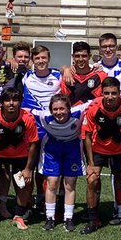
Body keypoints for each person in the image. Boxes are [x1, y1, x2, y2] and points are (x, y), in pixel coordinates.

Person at [80, 77, 121, 234]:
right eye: (106, 93)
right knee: (92, 179)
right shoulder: (93, 108)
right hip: (99, 149)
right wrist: (91, 164)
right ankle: (93, 220)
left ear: (119, 93)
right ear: (101, 93)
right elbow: (87, 137)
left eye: (114, 93)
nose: (110, 97)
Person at [0, 87, 39, 229]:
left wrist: (29, 168)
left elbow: (33, 143)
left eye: (15, 100)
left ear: (20, 102)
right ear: (2, 103)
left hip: (19, 155)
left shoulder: (27, 118)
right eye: (7, 100)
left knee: (24, 181)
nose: (11, 103)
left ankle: (18, 215)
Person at [38, 93, 83, 231]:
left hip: (72, 148)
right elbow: (26, 110)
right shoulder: (44, 116)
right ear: (51, 110)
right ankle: (49, 218)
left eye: (62, 109)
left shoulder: (79, 111)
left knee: (70, 184)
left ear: (69, 109)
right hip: (53, 148)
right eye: (55, 109)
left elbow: (96, 102)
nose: (59, 112)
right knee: (52, 183)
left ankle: (68, 218)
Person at [21, 44, 63, 121]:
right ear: (32, 61)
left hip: (51, 120)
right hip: (31, 121)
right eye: (37, 58)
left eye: (43, 58)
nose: (40, 61)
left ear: (49, 59)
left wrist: (66, 69)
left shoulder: (58, 76)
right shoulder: (26, 77)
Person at [61, 41, 103, 112]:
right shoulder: (66, 75)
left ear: (89, 56)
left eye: (84, 56)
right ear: (73, 57)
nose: (80, 59)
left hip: (91, 117)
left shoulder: (100, 76)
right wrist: (65, 69)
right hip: (71, 118)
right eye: (77, 56)